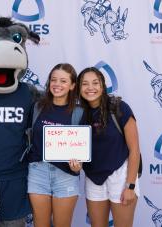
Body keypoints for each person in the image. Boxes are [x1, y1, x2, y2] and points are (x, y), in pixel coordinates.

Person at [77, 67, 140, 227]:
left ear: (103, 86)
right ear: (79, 88)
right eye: (85, 84)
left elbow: (135, 150)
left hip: (121, 176)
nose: (90, 88)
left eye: (95, 83)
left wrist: (130, 186)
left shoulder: (119, 107)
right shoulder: (78, 114)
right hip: (93, 178)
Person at [27, 63, 82, 227]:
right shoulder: (37, 107)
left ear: (72, 85)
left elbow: (83, 147)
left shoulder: (79, 112)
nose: (57, 84)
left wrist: (78, 166)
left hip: (65, 175)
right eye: (54, 80)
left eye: (63, 81)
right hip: (38, 173)